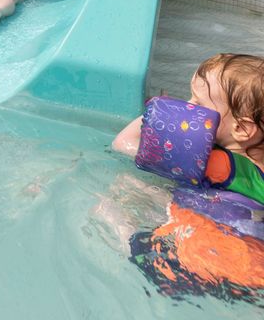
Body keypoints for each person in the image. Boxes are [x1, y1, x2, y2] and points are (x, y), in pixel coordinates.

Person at [110, 54, 264, 296]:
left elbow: (123, 143)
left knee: (118, 197)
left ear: (242, 129)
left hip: (197, 256)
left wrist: (159, 113)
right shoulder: (254, 168)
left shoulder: (214, 162)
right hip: (248, 260)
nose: (188, 107)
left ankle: (121, 231)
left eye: (198, 104)